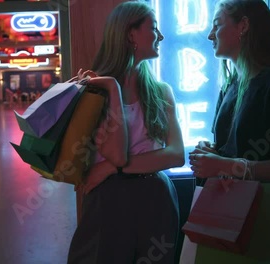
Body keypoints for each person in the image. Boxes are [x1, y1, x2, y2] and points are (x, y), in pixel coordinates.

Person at [189, 0, 270, 259]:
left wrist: (226, 165)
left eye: (217, 25)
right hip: (227, 215)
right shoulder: (231, 85)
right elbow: (235, 149)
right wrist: (214, 153)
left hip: (266, 218)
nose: (210, 35)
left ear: (243, 26)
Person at [67, 1, 185, 263]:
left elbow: (177, 155)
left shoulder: (161, 91)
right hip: (109, 202)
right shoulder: (94, 91)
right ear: (130, 33)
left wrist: (110, 169)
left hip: (156, 198)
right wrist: (111, 87)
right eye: (153, 28)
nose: (161, 36)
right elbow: (117, 154)